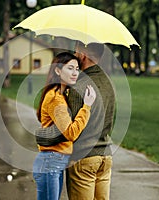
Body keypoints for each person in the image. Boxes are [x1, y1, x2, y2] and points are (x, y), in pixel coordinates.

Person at [36, 42, 116, 200]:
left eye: (76, 52)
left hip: (84, 158)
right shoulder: (109, 82)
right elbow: (110, 119)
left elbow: (70, 131)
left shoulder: (79, 86)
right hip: (105, 156)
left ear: (83, 56)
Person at [33, 52, 96, 200]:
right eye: (70, 68)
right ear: (58, 70)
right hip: (52, 160)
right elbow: (71, 133)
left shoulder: (58, 94)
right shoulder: (56, 99)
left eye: (77, 69)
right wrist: (86, 106)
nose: (75, 73)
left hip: (52, 159)